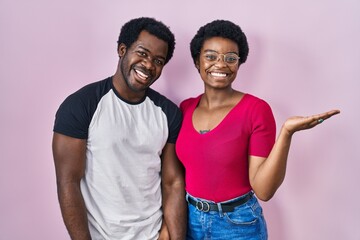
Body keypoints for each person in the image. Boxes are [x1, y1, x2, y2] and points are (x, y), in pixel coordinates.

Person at [175, 20, 340, 239]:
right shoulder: (185, 108)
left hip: (237, 224)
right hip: (189, 220)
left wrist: (287, 133)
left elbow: (263, 190)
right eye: (211, 56)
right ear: (197, 61)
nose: (221, 64)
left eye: (230, 58)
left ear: (239, 63)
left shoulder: (256, 110)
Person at [52, 17, 186, 240]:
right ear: (122, 50)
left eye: (158, 60)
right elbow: (68, 182)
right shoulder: (81, 105)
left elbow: (172, 183)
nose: (149, 65)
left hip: (153, 234)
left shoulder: (168, 113)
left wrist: (175, 235)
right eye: (142, 53)